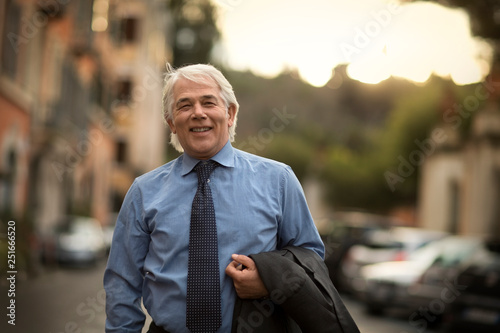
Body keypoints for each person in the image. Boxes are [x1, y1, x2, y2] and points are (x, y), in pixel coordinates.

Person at [103, 63, 325, 333]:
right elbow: (122, 282)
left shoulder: (279, 180)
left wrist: (269, 281)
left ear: (230, 113)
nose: (198, 113)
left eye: (209, 102)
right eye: (184, 106)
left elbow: (310, 257)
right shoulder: (143, 191)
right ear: (171, 122)